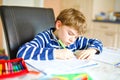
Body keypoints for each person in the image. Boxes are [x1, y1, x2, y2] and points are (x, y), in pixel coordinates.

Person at [17, 8, 103, 60]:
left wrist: (92, 50)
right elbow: (22, 53)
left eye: (76, 37)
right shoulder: (44, 38)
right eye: (70, 33)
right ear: (58, 25)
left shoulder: (75, 41)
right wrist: (56, 53)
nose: (72, 40)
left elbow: (97, 41)